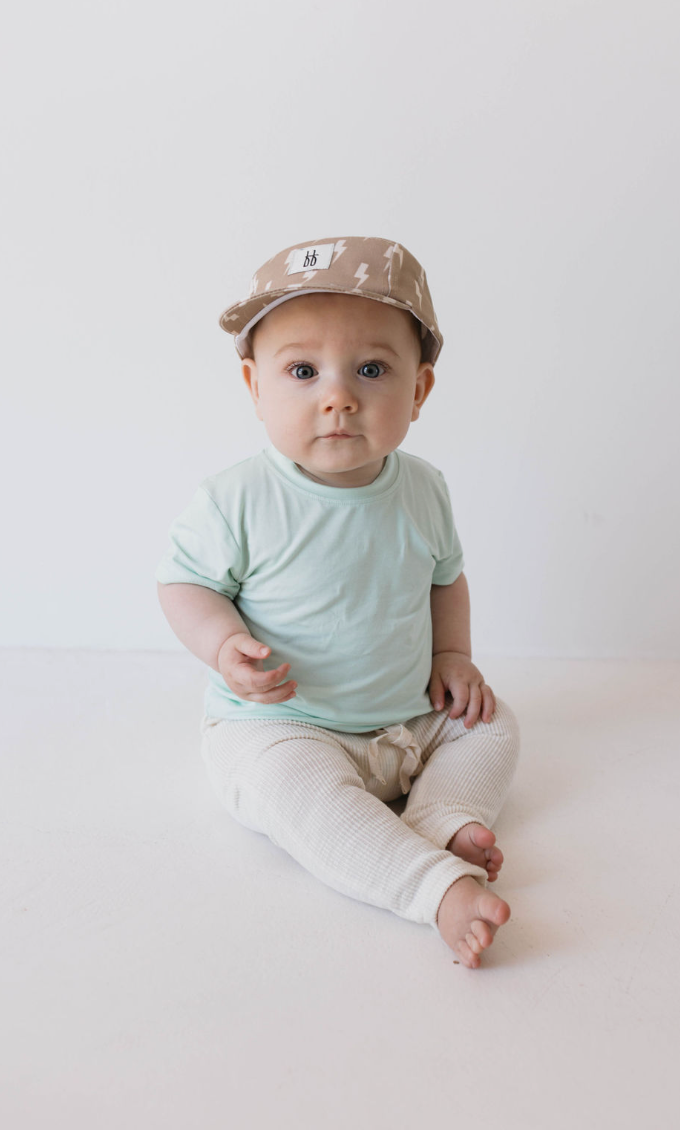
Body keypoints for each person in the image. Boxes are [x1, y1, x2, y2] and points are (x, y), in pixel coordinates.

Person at [155, 236, 520, 969]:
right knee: (292, 791)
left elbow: (445, 578)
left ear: (418, 390)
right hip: (284, 724)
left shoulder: (423, 489)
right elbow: (186, 584)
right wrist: (226, 648)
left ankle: (442, 812)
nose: (338, 396)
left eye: (373, 369)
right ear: (255, 386)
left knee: (492, 725)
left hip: (407, 716)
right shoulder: (238, 499)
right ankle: (432, 883)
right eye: (302, 370)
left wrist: (453, 657)